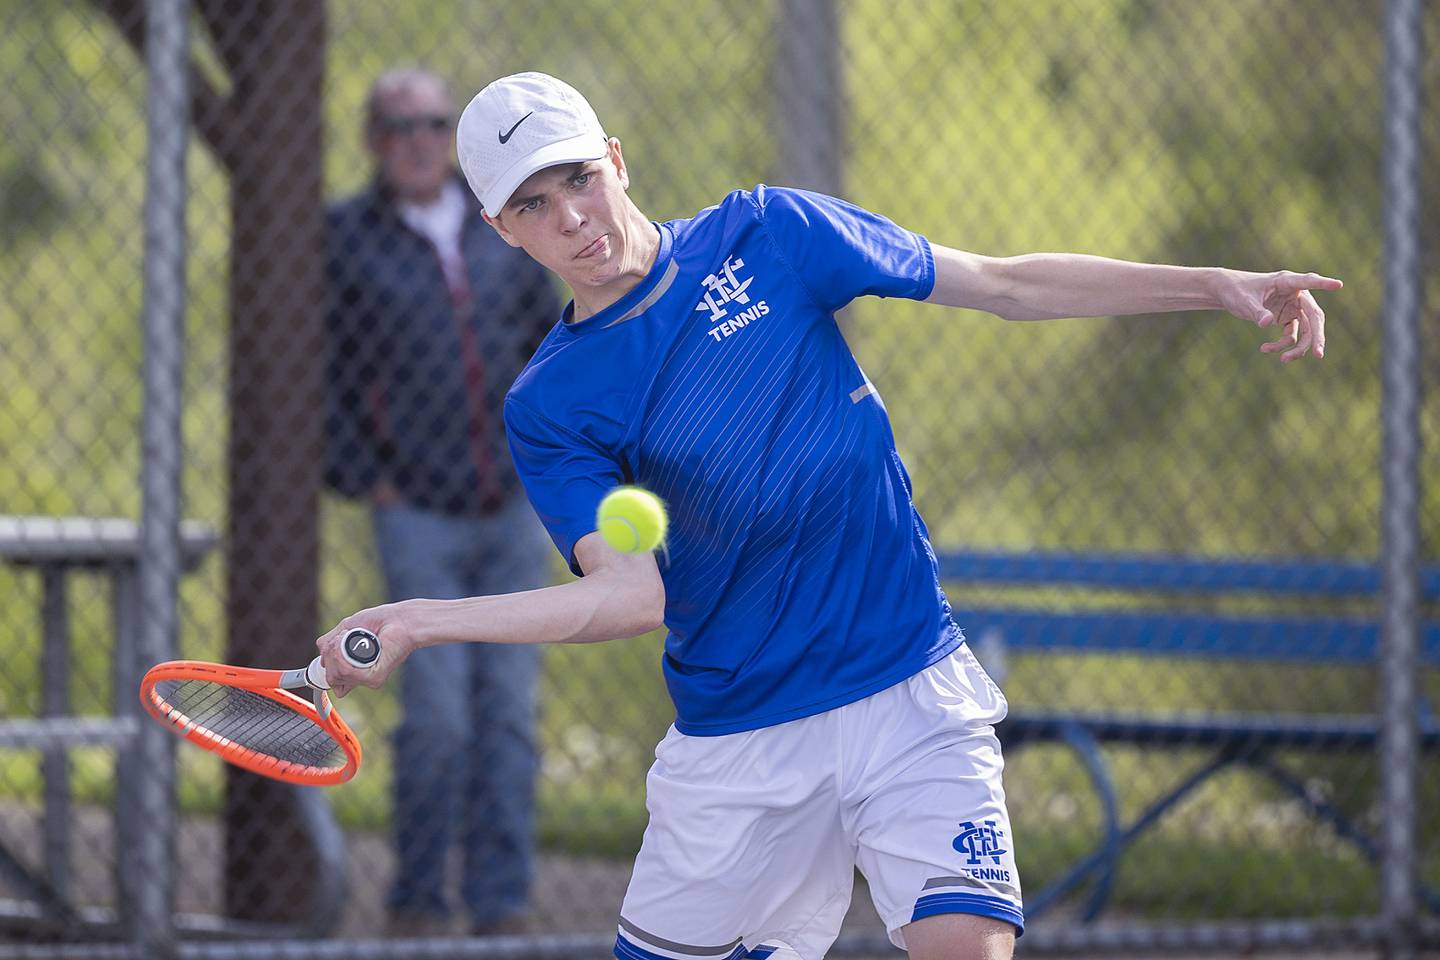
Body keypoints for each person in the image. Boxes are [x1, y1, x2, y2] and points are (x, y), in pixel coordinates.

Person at [316, 71, 1340, 960]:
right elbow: (630, 597)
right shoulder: (553, 402)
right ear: (501, 228)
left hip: (908, 686)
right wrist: (418, 620)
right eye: (533, 205)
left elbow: (1006, 284)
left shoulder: (772, 234)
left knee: (962, 940)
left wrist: (1214, 285)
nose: (571, 217)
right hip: (739, 743)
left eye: (577, 177)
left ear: (616, 160)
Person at [321, 67, 560, 936]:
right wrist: (365, 474)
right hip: (415, 508)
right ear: (374, 143)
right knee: (439, 718)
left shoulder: (504, 221)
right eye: (397, 128)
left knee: (508, 717)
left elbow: (552, 342)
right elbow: (326, 372)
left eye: (432, 124)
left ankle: (501, 906)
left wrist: (553, 461)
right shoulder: (347, 238)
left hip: (511, 506)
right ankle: (417, 901)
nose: (418, 142)